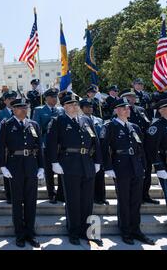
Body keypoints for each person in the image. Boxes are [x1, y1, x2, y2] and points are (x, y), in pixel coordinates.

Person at [47, 92, 103, 246]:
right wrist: (54, 162)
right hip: (69, 164)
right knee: (73, 201)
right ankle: (73, 232)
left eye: (75, 104)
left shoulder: (86, 120)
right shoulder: (58, 120)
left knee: (87, 200)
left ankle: (88, 232)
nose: (74, 107)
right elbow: (51, 143)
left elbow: (95, 141)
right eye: (70, 104)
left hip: (87, 164)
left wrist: (98, 161)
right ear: (64, 106)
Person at [101, 98, 155, 246]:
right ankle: (125, 231)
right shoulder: (110, 126)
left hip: (136, 166)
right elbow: (104, 148)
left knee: (136, 201)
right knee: (124, 200)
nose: (127, 110)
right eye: (124, 108)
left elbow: (141, 148)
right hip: (120, 165)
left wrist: (143, 166)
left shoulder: (134, 127)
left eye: (128, 108)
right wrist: (108, 167)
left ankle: (136, 230)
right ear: (117, 110)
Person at [0, 97, 44, 248]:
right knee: (17, 202)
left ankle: (30, 233)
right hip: (14, 165)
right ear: (13, 110)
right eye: (21, 108)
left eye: (26, 108)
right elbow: (0, 146)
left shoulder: (34, 125)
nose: (24, 110)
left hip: (31, 165)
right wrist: (2, 166)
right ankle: (19, 234)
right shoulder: (6, 124)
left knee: (31, 201)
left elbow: (39, 146)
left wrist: (41, 166)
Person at [120, 89, 157, 205]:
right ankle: (135, 197)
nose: (133, 98)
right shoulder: (120, 111)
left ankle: (145, 195)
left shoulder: (141, 110)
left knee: (147, 171)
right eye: (130, 97)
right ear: (124, 98)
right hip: (131, 147)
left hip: (144, 146)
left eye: (134, 96)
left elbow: (148, 125)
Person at [33, 88, 64, 204]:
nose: (54, 99)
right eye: (52, 97)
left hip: (60, 145)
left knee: (61, 169)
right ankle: (51, 194)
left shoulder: (61, 110)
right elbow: (36, 129)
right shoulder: (39, 110)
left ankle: (61, 194)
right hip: (46, 144)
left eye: (56, 97)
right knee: (49, 172)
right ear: (46, 98)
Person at [80, 98, 108, 205]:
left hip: (98, 150)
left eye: (91, 106)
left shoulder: (98, 120)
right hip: (87, 151)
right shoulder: (80, 119)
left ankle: (101, 197)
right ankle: (89, 198)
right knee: (88, 176)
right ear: (82, 109)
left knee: (100, 175)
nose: (90, 108)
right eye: (87, 107)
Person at [145, 98, 167, 216]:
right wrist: (159, 167)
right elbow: (152, 149)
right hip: (166, 164)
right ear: (162, 110)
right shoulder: (157, 126)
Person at [0, 90, 17, 204]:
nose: (12, 101)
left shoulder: (20, 112)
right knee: (7, 174)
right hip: (6, 149)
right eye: (10, 99)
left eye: (14, 99)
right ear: (5, 101)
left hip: (18, 149)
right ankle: (9, 195)